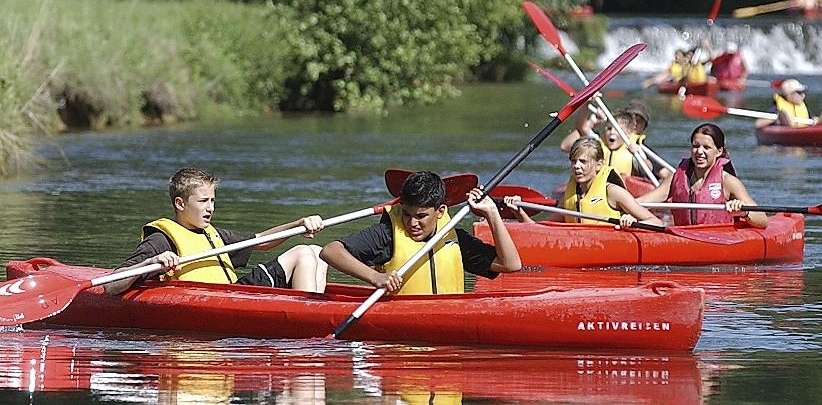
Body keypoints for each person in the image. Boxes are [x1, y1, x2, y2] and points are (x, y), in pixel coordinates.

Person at [104, 167, 329, 295]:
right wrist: (151, 262)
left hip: (233, 295)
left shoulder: (213, 234)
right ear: (180, 204)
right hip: (213, 301)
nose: (210, 208)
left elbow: (261, 241)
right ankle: (310, 318)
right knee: (302, 253)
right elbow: (111, 286)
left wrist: (298, 225)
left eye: (212, 200)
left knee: (318, 252)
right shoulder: (161, 240)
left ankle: (317, 308)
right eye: (203, 201)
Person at [319, 171, 521, 295]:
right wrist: (374, 277)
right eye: (407, 214)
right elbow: (330, 251)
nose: (412, 223)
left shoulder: (455, 239)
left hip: (448, 324)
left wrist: (492, 213)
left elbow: (511, 265)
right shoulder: (389, 235)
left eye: (421, 216)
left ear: (440, 211)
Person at [509, 137, 661, 227]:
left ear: (599, 165)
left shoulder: (614, 192)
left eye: (583, 162)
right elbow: (540, 230)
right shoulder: (569, 197)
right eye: (574, 161)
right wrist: (519, 212)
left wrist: (632, 221)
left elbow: (655, 222)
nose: (577, 166)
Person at [638, 124, 768, 228]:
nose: (699, 152)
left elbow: (762, 220)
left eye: (706, 147)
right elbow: (643, 202)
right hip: (683, 240)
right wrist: (625, 210)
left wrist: (744, 212)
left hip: (720, 242)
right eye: (695, 146)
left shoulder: (728, 181)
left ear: (719, 151)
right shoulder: (675, 178)